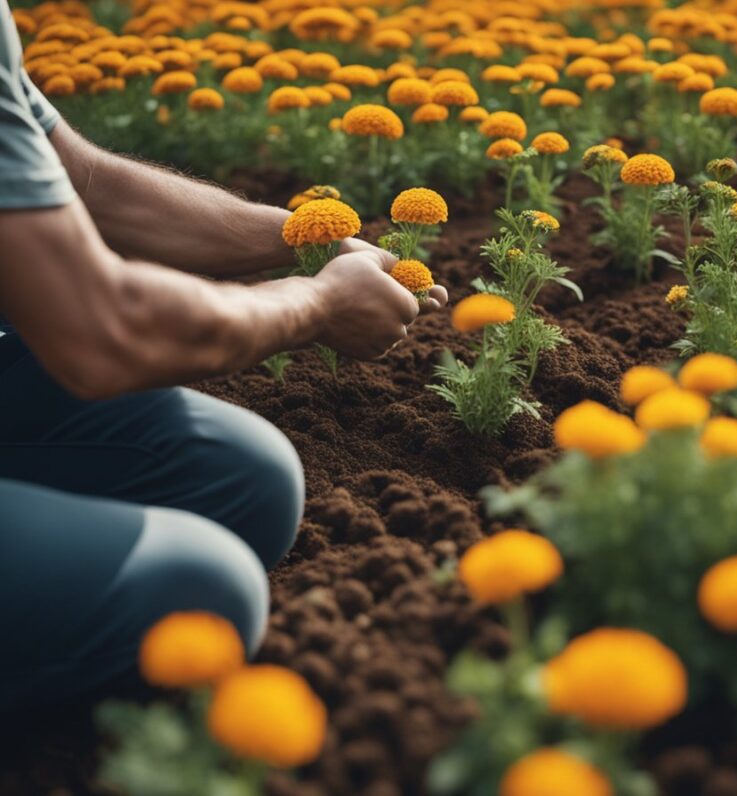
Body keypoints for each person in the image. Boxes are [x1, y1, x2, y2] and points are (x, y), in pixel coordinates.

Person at [0, 0, 447, 710]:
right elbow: (102, 333)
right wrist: (316, 303)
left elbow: (87, 183)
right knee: (201, 592)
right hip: (81, 336)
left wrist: (306, 237)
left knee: (250, 482)